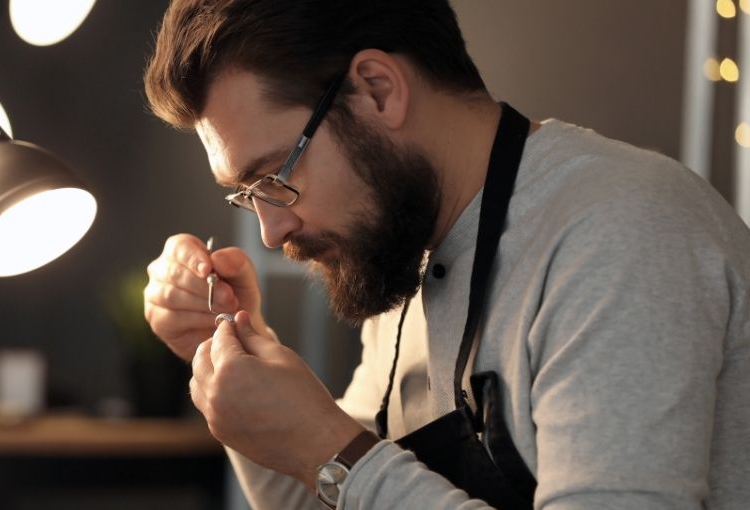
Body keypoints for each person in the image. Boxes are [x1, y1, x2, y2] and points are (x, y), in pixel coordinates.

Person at [141, 1, 750, 508]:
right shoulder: (406, 243)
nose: (272, 231)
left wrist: (333, 449)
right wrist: (233, 355)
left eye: (275, 176)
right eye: (249, 197)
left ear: (376, 91)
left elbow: (344, 470)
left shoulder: (621, 231)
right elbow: (329, 494)